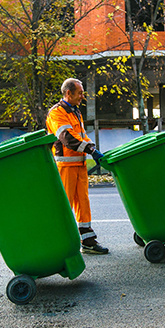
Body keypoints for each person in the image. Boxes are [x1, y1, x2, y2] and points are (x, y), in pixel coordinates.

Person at [46, 78, 109, 255]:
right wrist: (91, 150)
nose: (82, 96)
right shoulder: (56, 113)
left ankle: (88, 240)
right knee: (64, 205)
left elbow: (81, 136)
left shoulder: (75, 112)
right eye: (80, 93)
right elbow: (67, 138)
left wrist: (94, 149)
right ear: (68, 93)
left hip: (79, 164)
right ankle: (57, 242)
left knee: (83, 203)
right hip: (65, 166)